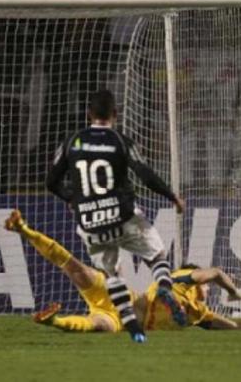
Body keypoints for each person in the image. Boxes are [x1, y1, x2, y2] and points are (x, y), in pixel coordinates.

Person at [4, 210, 241, 333]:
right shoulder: (186, 280)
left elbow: (234, 327)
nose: (208, 293)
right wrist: (233, 292)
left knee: (96, 325)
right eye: (205, 290)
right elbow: (214, 273)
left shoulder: (201, 315)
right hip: (126, 300)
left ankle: (53, 320)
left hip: (119, 315)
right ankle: (23, 228)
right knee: (76, 269)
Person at [46, 89, 186, 342]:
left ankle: (133, 328)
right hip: (123, 216)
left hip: (90, 222)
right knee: (156, 256)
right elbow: (144, 174)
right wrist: (172, 196)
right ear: (115, 114)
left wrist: (72, 199)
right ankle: (164, 288)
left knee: (111, 276)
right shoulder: (120, 141)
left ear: (89, 114)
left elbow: (51, 182)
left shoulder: (71, 142)